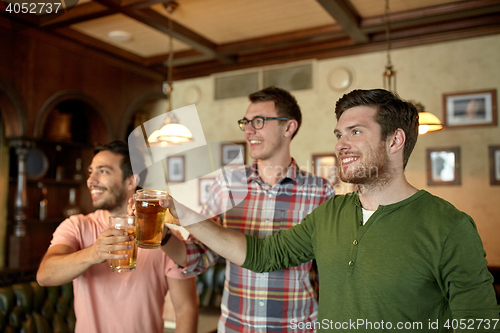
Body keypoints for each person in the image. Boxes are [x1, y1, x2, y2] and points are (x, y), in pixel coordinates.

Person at [161, 89, 499, 332]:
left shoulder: (450, 225)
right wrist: (184, 214)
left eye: (355, 132)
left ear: (394, 141)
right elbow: (263, 254)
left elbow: (480, 321)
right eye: (339, 134)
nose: (340, 144)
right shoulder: (331, 213)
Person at [158, 87, 335, 332]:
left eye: (259, 122)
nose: (249, 130)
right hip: (236, 327)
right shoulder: (227, 185)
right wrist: (162, 236)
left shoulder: (320, 192)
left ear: (289, 127)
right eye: (246, 122)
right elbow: (198, 257)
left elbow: (332, 272)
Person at [37, 141, 198, 333]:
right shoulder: (77, 226)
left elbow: (186, 309)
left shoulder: (164, 237)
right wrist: (93, 253)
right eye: (91, 172)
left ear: (131, 181)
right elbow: (44, 276)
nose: (91, 180)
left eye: (103, 171)